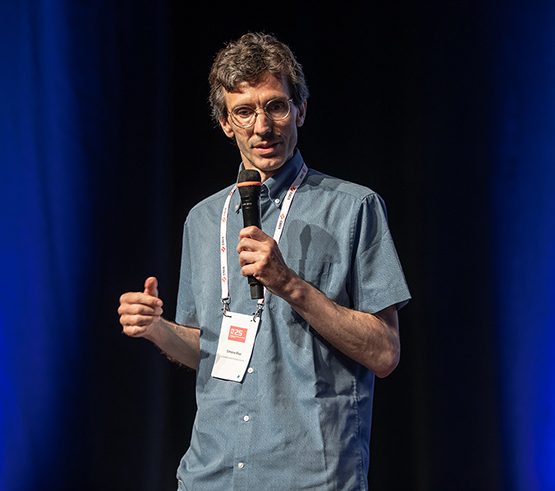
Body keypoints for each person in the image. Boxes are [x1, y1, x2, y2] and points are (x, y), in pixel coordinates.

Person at [117, 32, 410, 490]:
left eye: (276, 106)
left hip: (310, 477)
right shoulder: (203, 219)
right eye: (244, 111)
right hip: (211, 475)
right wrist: (157, 328)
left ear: (301, 110)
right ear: (225, 123)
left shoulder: (354, 208)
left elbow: (385, 353)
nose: (262, 126)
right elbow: (208, 351)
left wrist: (289, 284)